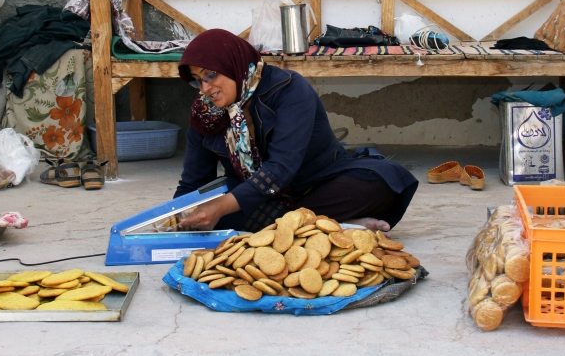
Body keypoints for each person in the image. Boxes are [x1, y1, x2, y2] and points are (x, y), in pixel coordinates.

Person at [174, 29, 418, 234]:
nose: (205, 88)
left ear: (233, 63)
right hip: (254, 197)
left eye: (211, 75)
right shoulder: (205, 114)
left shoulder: (288, 88)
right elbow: (193, 182)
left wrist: (223, 207)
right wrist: (173, 218)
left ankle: (294, 227)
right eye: (197, 80)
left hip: (317, 183)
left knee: (383, 180)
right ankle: (331, 228)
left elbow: (281, 168)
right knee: (212, 216)